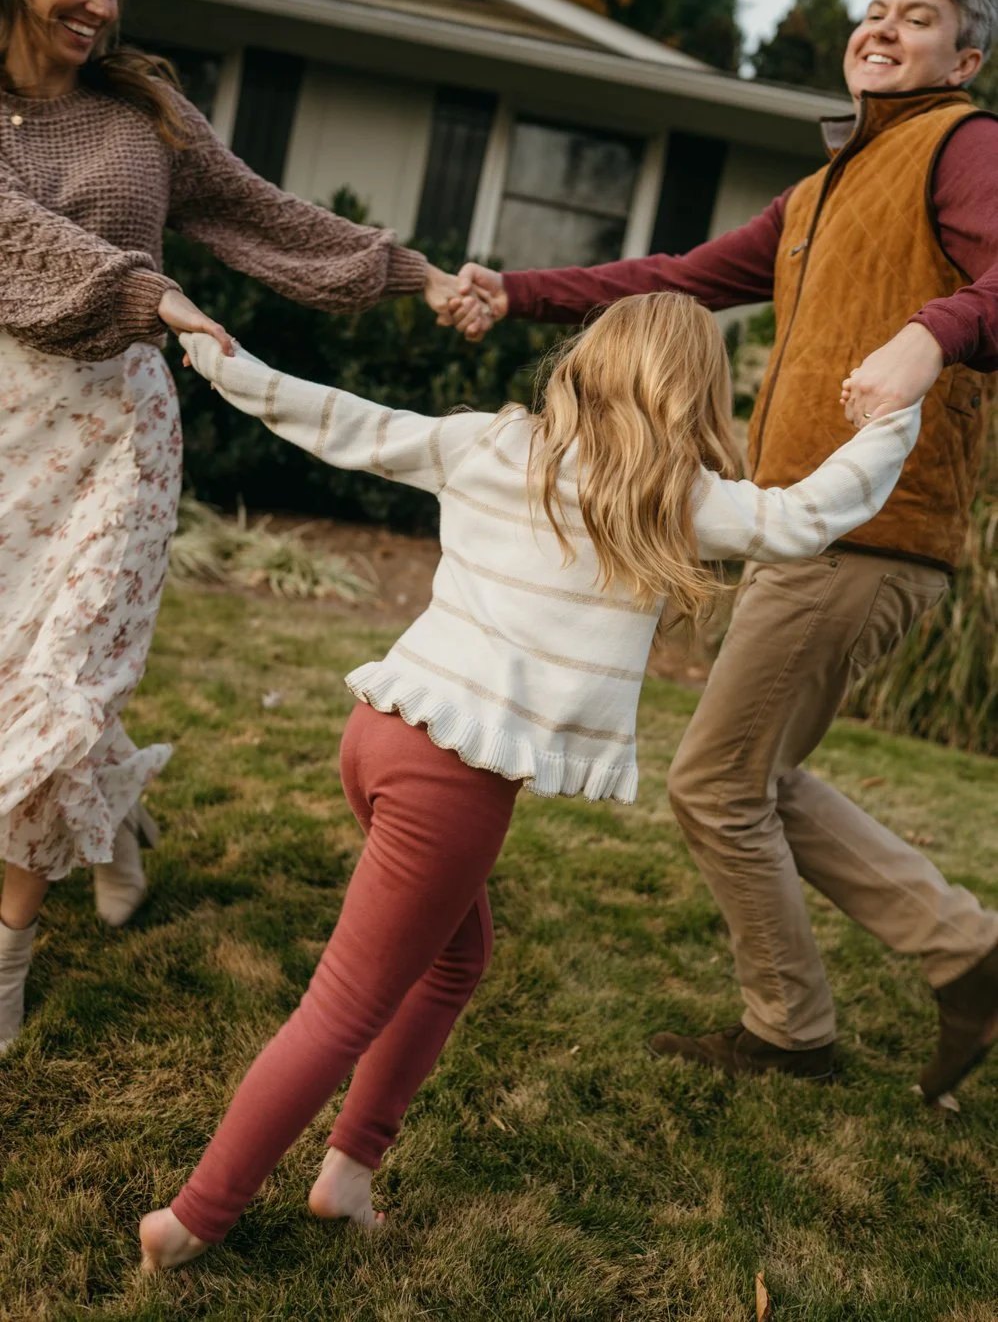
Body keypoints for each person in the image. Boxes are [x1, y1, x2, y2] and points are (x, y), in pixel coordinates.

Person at [138, 291, 919, 1270]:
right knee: (342, 1008)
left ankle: (347, 1177)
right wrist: (896, 419)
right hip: (447, 781)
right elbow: (807, 516)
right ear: (690, 390)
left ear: (590, 360)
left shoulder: (492, 444)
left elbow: (342, 422)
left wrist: (226, 364)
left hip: (379, 731)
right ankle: (190, 1220)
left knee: (456, 962)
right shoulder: (667, 496)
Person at [446, 0, 998, 1103]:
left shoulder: (963, 146)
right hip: (812, 528)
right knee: (760, 776)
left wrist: (928, 333)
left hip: (868, 529)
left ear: (967, 55)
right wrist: (518, 293)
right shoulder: (822, 190)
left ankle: (790, 1029)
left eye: (917, 17)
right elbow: (678, 278)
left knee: (713, 784)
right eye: (872, 11)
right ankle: (966, 954)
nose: (882, 28)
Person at [0, 0, 459, 1056]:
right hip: (8, 428)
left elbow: (263, 214)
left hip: (119, 436)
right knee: (13, 677)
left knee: (67, 678)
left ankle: (5, 953)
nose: (101, 5)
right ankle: (120, 818)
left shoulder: (139, 110)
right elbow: (13, 236)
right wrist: (149, 288)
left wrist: (413, 274)